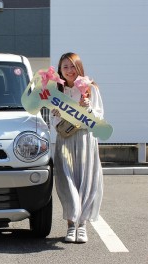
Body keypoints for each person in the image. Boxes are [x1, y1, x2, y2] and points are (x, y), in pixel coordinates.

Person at [50, 52, 104, 243]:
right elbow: (53, 120)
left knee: (86, 181)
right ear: (60, 71)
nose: (69, 71)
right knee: (67, 181)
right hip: (65, 141)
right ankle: (71, 224)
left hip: (85, 140)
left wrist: (87, 107)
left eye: (72, 66)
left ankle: (82, 225)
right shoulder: (58, 91)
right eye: (65, 67)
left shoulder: (90, 88)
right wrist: (57, 115)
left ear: (79, 67)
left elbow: (98, 119)